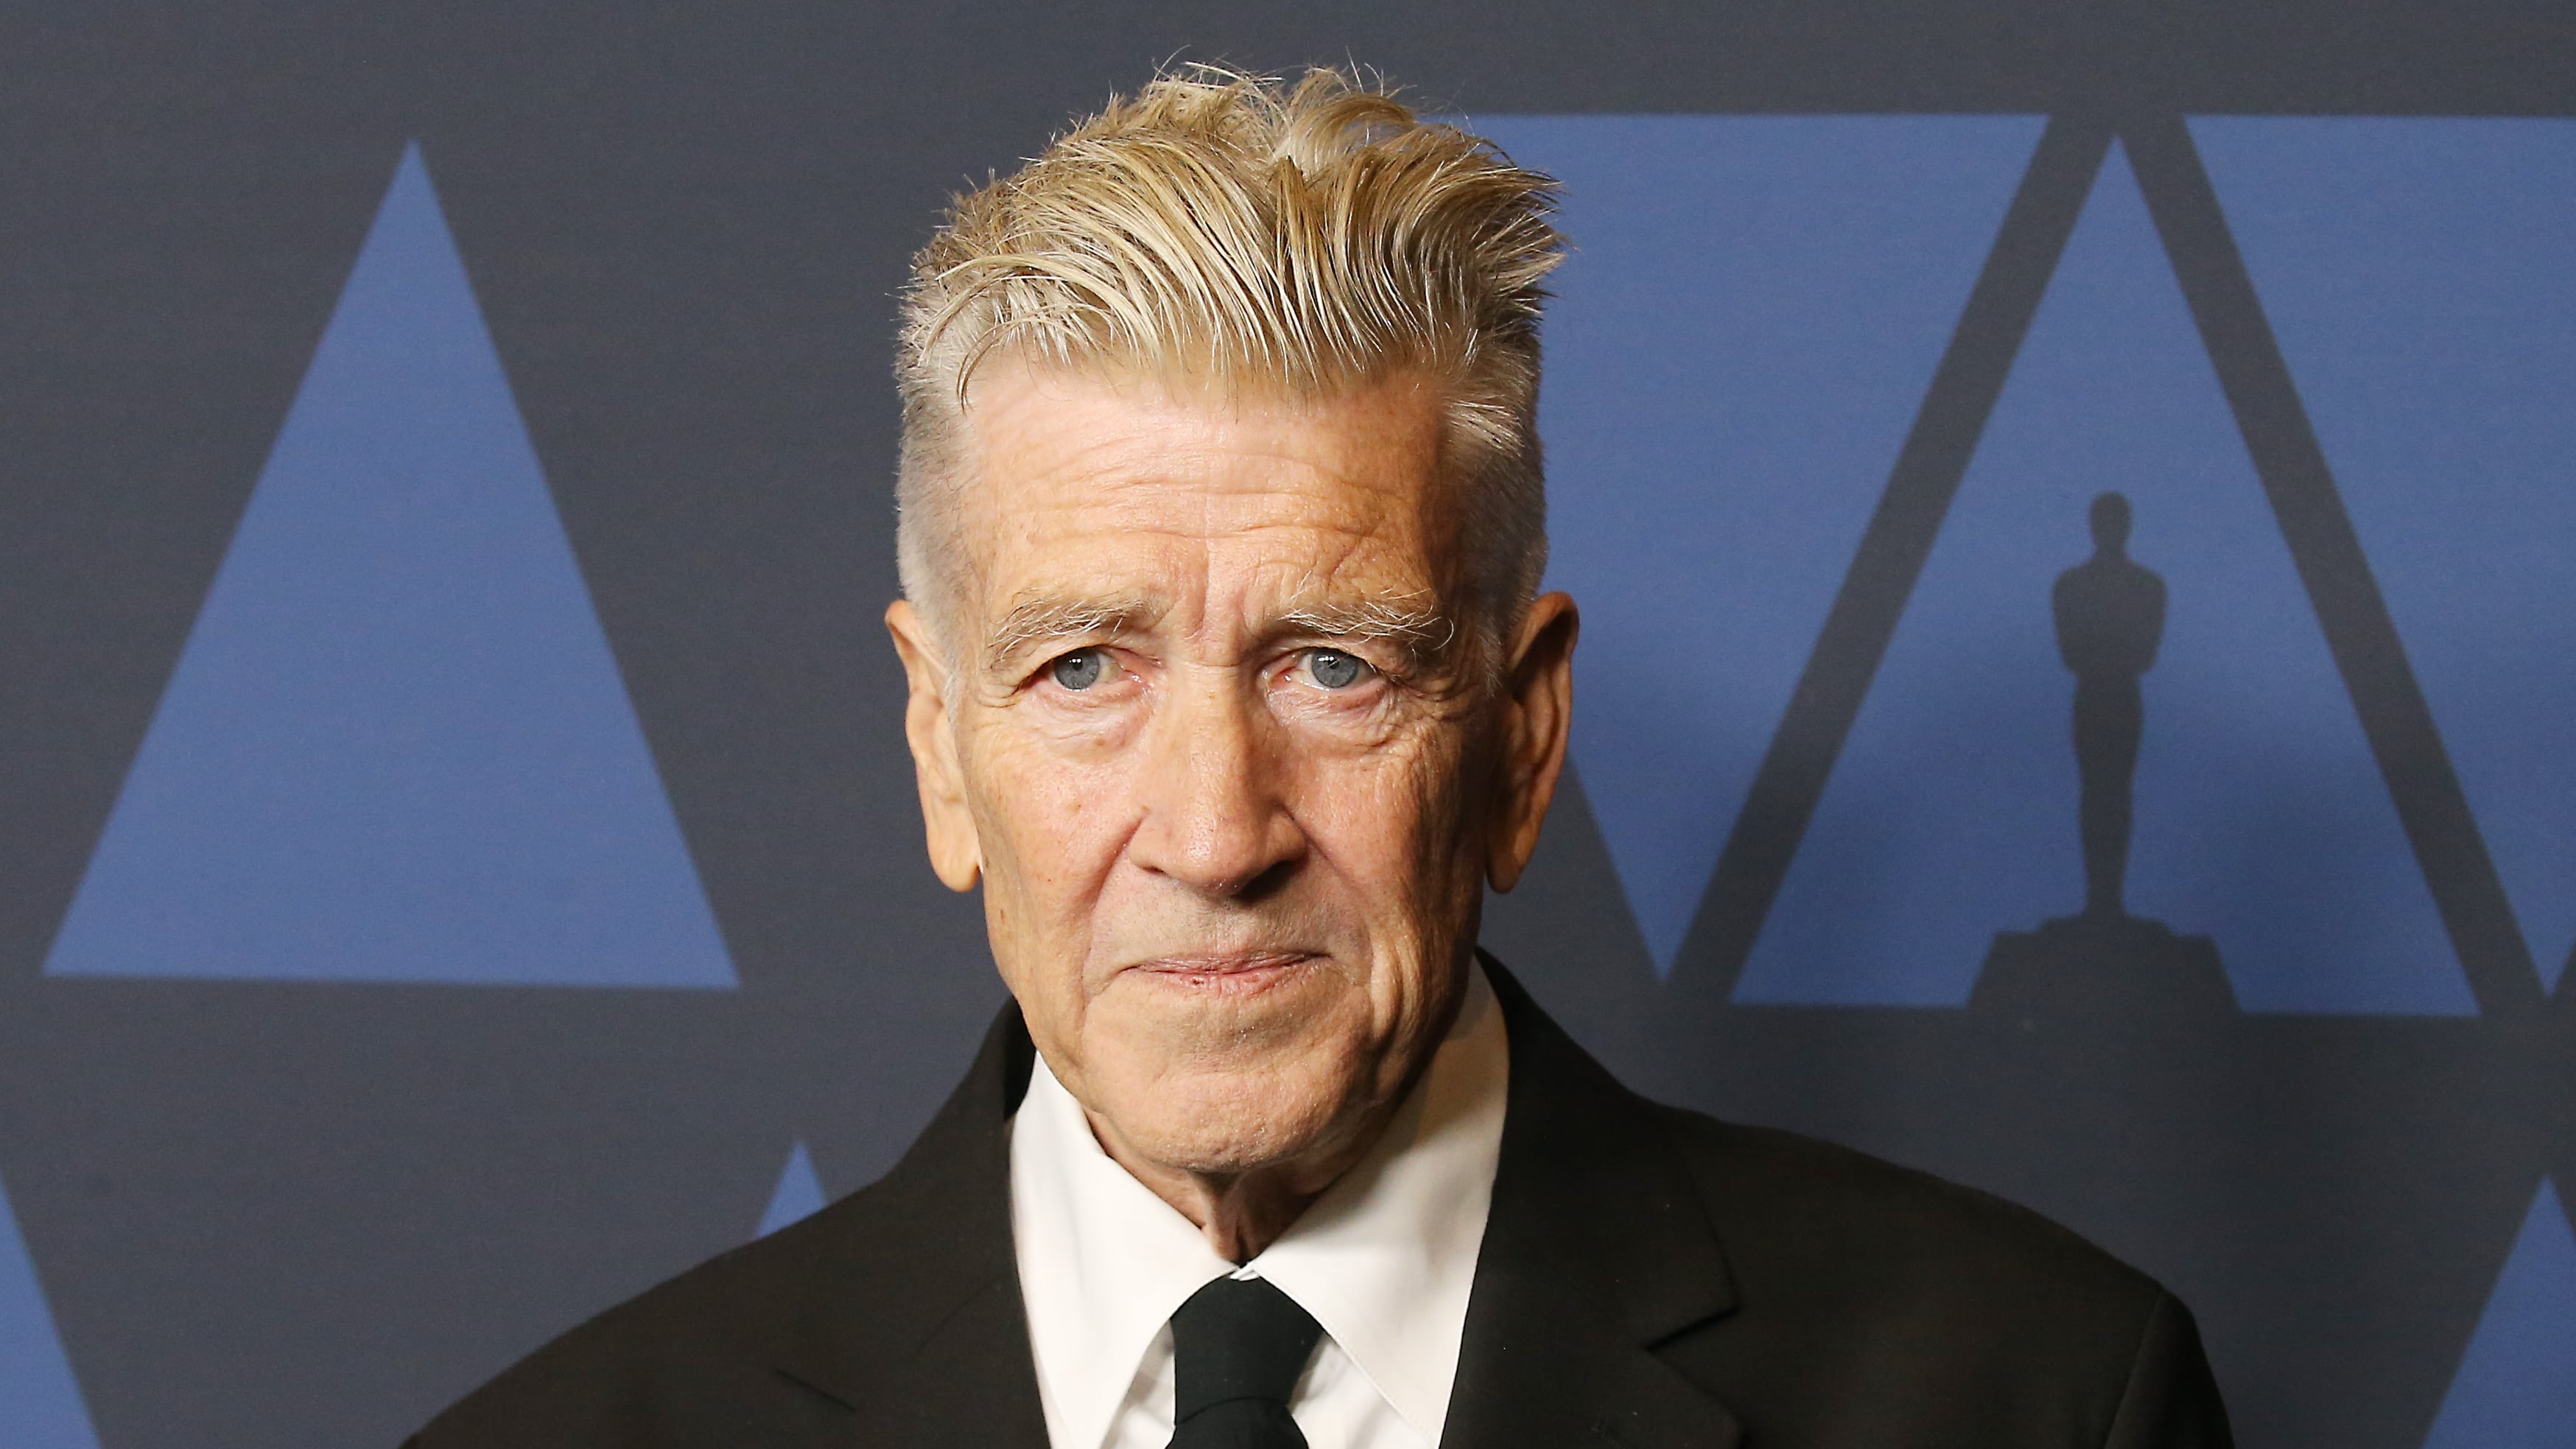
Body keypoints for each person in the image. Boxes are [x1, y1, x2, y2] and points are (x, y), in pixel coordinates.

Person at [408, 66, 2232, 1448]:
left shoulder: (2040, 1399)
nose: (1214, 830)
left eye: (1333, 665)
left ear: (1518, 737)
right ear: (937, 752)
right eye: (1082, 669)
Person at [2053, 491, 2168, 919]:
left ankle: (2109, 901)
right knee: (2097, 791)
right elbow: (2070, 653)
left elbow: (2146, 656)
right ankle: (2099, 901)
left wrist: (2102, 651)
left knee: (2114, 791)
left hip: (2118, 695)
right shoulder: (2072, 585)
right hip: (2098, 695)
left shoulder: (2147, 586)